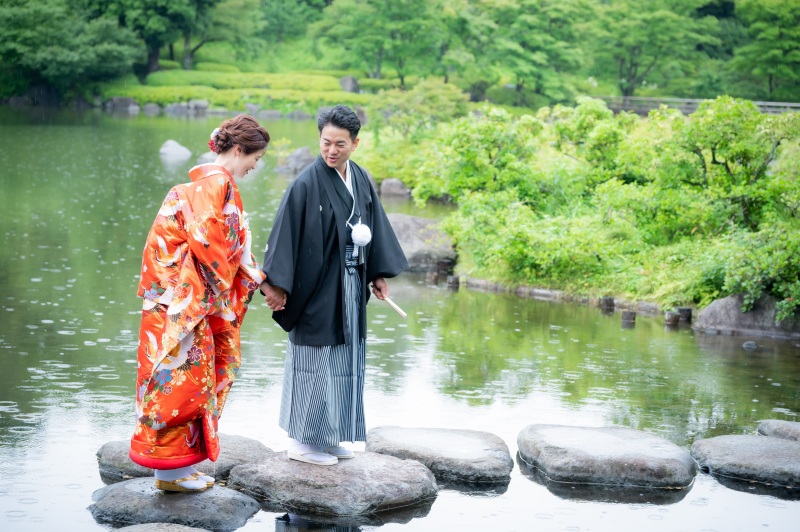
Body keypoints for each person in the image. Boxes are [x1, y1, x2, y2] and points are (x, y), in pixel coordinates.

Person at [260, 105, 407, 466]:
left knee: (345, 358)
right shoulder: (306, 183)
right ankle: (302, 441)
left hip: (351, 284)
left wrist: (376, 273)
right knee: (314, 358)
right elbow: (285, 236)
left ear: (355, 143)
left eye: (340, 144)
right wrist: (275, 286)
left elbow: (374, 227)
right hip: (315, 287)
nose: (331, 151)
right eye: (326, 142)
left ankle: (329, 436)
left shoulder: (359, 178)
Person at [129, 114, 270, 491]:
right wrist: (241, 284)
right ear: (238, 150)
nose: (256, 165)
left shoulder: (202, 185)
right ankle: (169, 474)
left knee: (191, 379)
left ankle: (180, 466)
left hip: (176, 302)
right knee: (182, 382)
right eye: (254, 158)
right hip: (184, 306)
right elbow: (211, 247)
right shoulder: (215, 186)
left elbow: (222, 246)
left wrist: (246, 273)